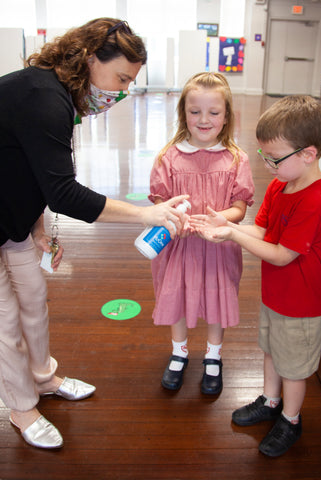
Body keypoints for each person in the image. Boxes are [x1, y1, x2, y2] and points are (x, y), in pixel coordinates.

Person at [0, 17, 187, 450]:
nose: (120, 92)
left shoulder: (57, 96)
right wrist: (146, 215)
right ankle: (22, 406)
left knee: (32, 297)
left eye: (130, 83)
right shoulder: (43, 98)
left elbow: (24, 169)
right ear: (88, 58)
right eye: (120, 77)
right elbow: (64, 192)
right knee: (5, 320)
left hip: (12, 219)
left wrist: (37, 227)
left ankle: (43, 378)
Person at [190, 95, 321, 456]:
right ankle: (270, 402)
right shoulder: (279, 185)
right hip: (275, 297)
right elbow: (264, 233)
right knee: (271, 351)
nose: (268, 165)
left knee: (294, 367)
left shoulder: (315, 199)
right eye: (263, 157)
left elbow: (283, 255)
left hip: (302, 305)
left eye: (275, 158)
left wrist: (231, 234)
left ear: (308, 154)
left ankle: (291, 419)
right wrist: (228, 224)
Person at [148, 72, 254, 395]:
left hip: (219, 246)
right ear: (184, 113)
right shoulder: (169, 156)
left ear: (226, 117)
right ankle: (179, 352)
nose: (203, 120)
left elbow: (240, 207)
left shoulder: (237, 159)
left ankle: (213, 356)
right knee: (176, 297)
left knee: (216, 298)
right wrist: (173, 213)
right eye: (195, 112)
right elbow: (158, 200)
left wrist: (217, 220)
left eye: (213, 112)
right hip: (178, 247)